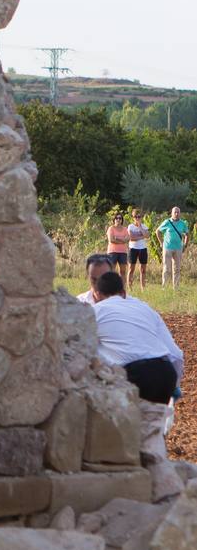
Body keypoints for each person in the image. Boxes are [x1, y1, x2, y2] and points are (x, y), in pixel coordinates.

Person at [91, 271, 184, 500]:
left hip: (136, 374)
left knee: (132, 435)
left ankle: (141, 490)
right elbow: (175, 353)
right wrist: (175, 386)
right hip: (164, 372)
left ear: (96, 294)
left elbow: (87, 351)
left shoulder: (95, 311)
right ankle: (163, 489)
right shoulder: (144, 308)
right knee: (153, 430)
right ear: (123, 292)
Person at [156, 206, 189, 289]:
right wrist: (161, 243)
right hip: (167, 247)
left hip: (178, 248)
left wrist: (185, 244)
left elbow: (187, 234)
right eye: (175, 212)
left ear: (180, 213)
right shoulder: (167, 222)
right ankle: (165, 287)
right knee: (167, 268)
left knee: (177, 268)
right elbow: (158, 231)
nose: (177, 214)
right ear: (172, 213)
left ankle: (176, 288)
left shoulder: (183, 223)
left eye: (178, 212)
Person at [127, 208, 150, 291]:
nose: (137, 218)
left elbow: (147, 236)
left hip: (143, 249)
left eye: (139, 216)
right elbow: (131, 238)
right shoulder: (130, 226)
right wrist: (142, 236)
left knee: (143, 269)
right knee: (131, 269)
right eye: (135, 217)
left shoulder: (144, 226)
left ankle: (143, 288)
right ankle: (130, 287)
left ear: (141, 217)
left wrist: (140, 227)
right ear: (133, 217)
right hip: (133, 249)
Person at [105, 212, 129, 277]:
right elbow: (111, 240)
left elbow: (127, 240)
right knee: (111, 270)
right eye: (116, 218)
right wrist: (122, 241)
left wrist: (117, 238)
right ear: (114, 220)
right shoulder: (111, 228)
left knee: (123, 271)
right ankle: (110, 286)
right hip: (112, 252)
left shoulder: (125, 229)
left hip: (123, 252)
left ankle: (122, 287)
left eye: (120, 218)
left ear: (122, 220)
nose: (118, 219)